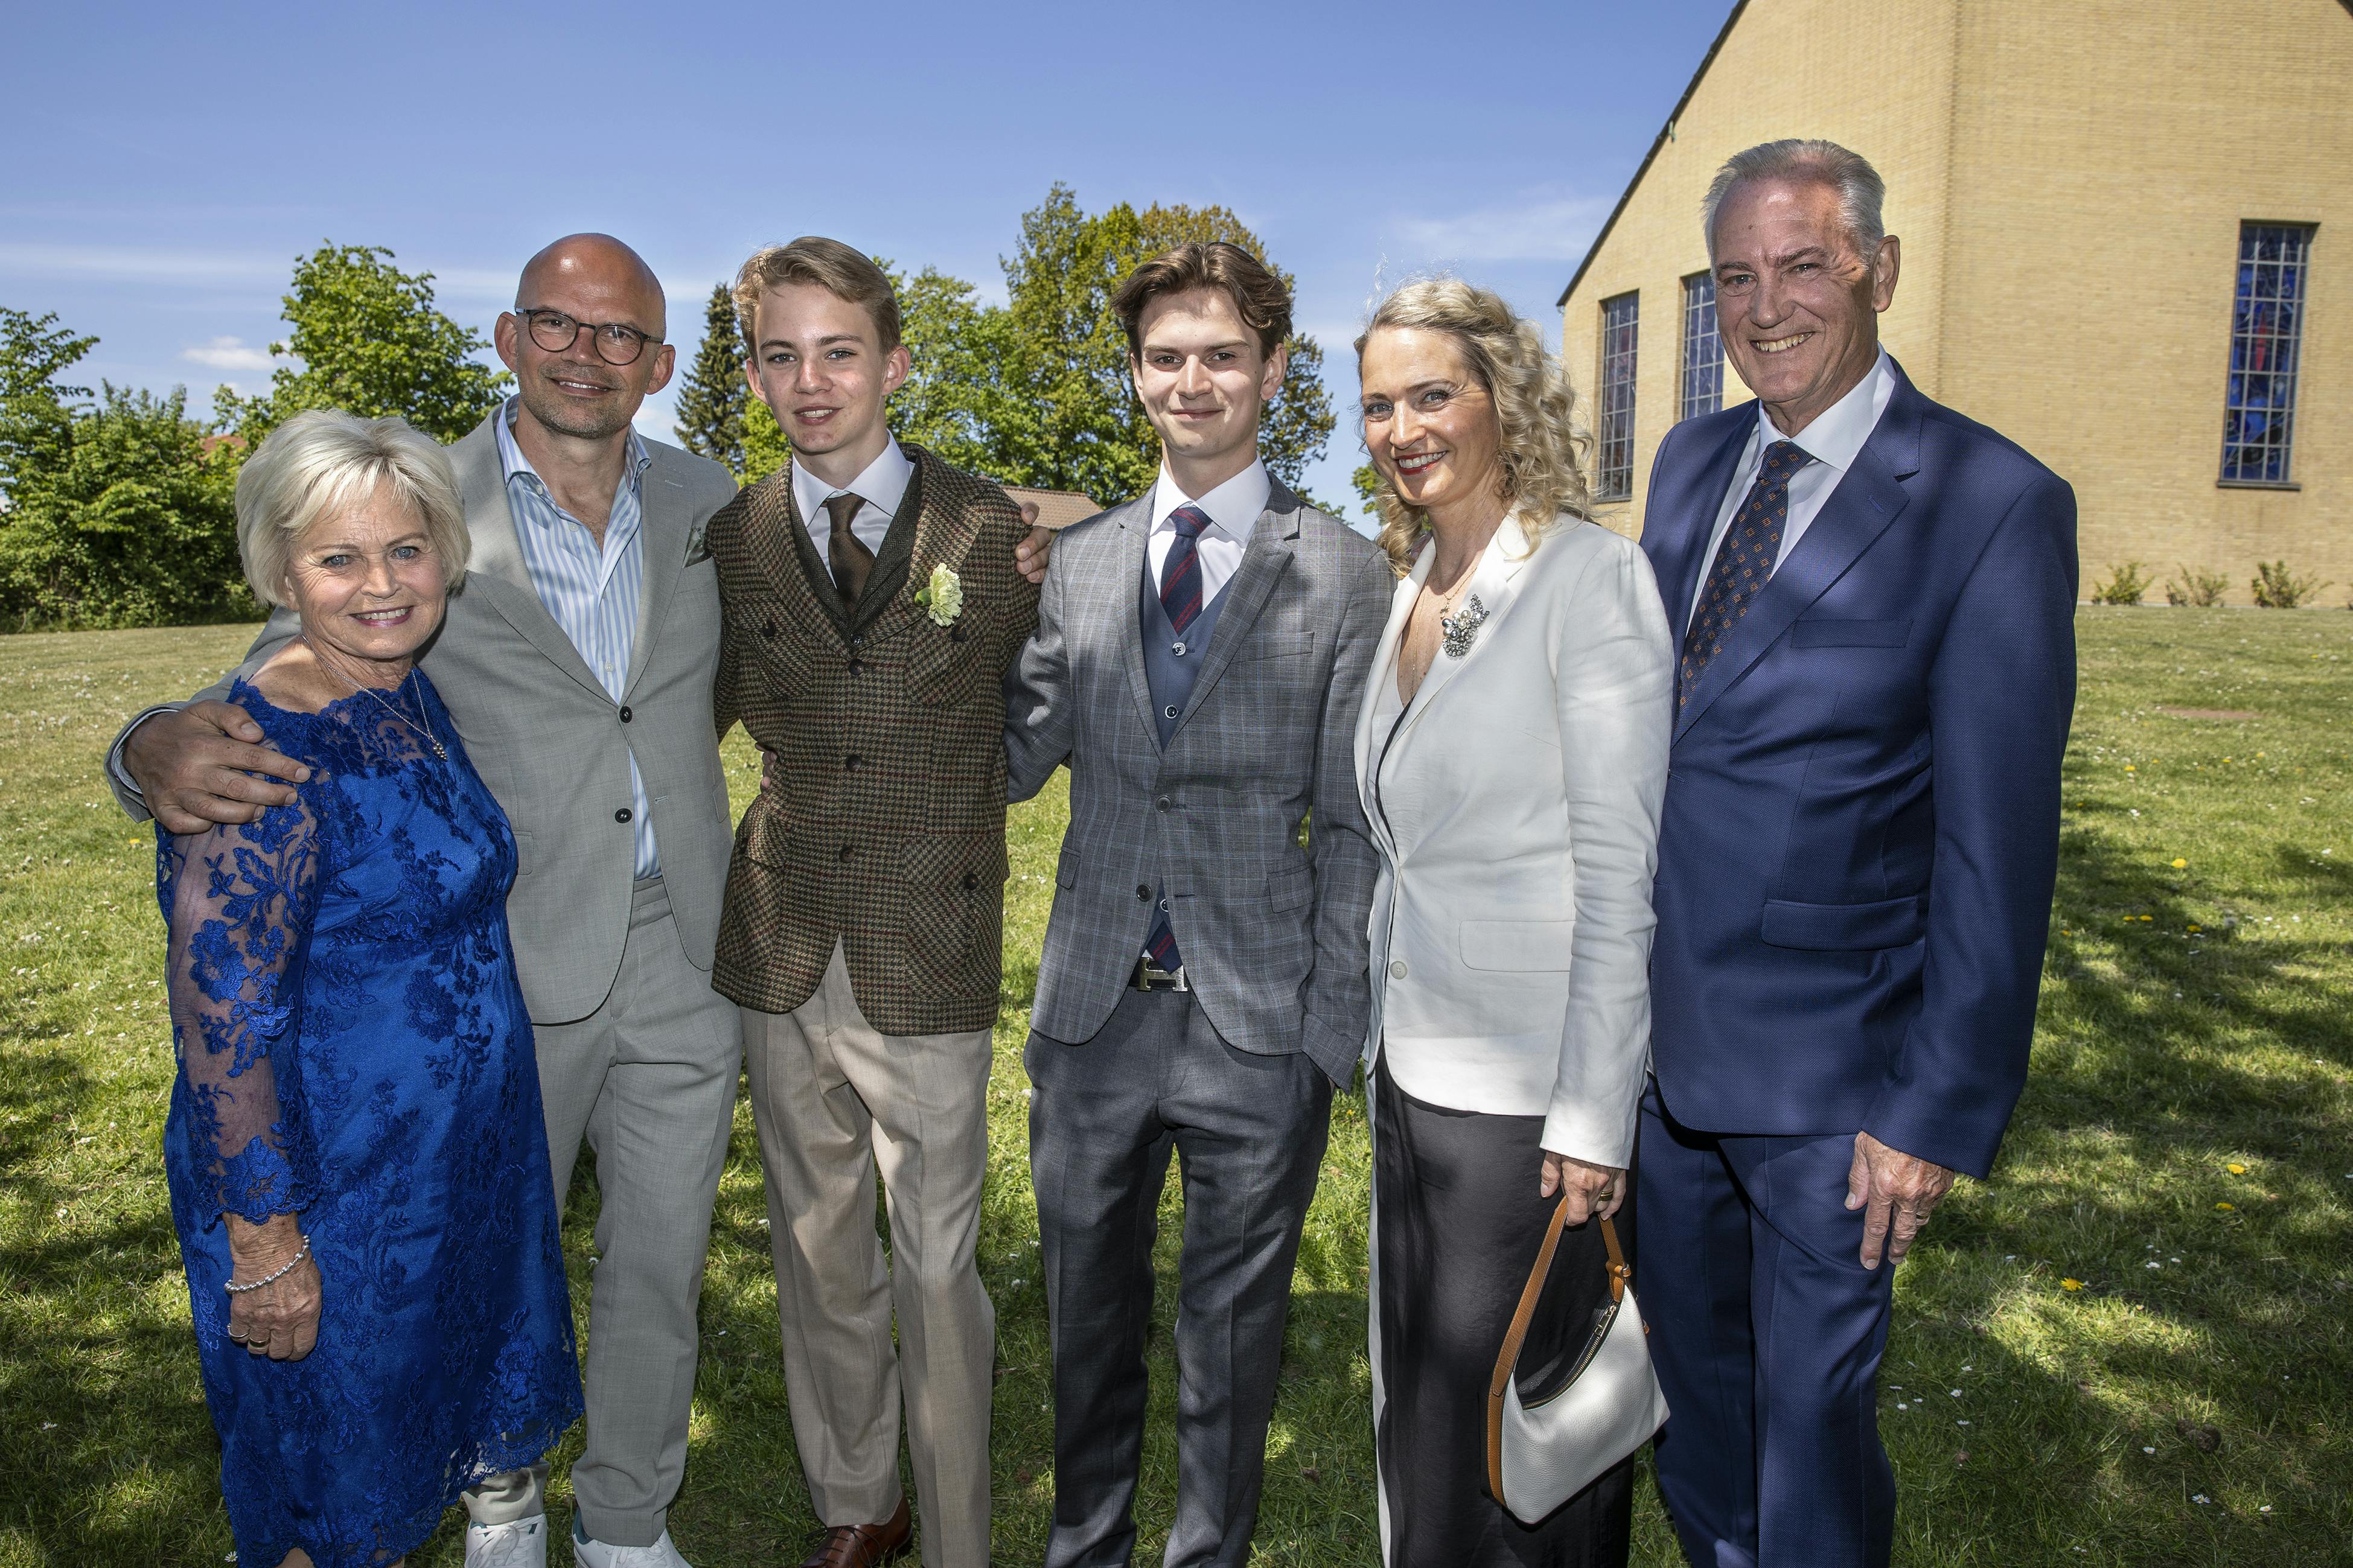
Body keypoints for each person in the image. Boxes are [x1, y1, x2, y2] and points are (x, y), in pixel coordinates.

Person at [113, 235, 742, 1568]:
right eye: (554, 326)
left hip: (681, 939)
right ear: (508, 340)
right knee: (469, 1259)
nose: (586, 353)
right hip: (503, 964)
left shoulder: (712, 501)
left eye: (619, 333)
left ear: (661, 362)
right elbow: (277, 687)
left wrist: (1044, 531)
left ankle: (629, 1522)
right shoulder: (415, 496)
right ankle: (498, 1499)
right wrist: (141, 748)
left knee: (653, 1258)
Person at [1633, 140, 2077, 1568]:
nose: (1765, 309)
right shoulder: (1691, 460)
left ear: (1878, 270)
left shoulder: (1987, 502)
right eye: (1736, 279)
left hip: (1837, 1089)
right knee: (1695, 1407)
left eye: (1803, 267)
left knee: (1809, 1430)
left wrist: (1934, 1107)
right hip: (1655, 1057)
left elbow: (1996, 843)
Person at [1002, 241, 1392, 1568]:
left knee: (1233, 1335)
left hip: (1253, 1017)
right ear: (1135, 378)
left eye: (1221, 354)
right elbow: (1013, 756)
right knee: (1084, 1320)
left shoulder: (1343, 573)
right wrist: (943, 639)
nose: (1192, 379)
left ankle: (1206, 1553)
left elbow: (1351, 823)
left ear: (1273, 372)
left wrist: (1322, 1035)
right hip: (1092, 1008)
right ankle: (1086, 1545)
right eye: (1165, 357)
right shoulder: (1078, 561)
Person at [158, 410, 581, 1568]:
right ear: (280, 571)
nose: (380, 584)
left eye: (406, 549)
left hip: (447, 1170)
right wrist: (267, 1238)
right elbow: (223, 1017)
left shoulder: (399, 689)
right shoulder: (259, 753)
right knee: (330, 1508)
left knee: (397, 1484)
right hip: (330, 1195)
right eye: (338, 558)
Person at [705, 237, 1039, 1568]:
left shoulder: (992, 531)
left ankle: (958, 1531)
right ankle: (860, 1504)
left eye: (837, 351)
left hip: (929, 942)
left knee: (935, 1264)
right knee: (816, 1248)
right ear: (752, 375)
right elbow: (679, 713)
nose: (810, 380)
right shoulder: (731, 538)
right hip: (782, 941)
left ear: (892, 363)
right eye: (779, 356)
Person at [1351, 279, 1673, 1567]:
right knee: (1424, 1402)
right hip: (1409, 1056)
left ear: (1503, 399)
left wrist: (1595, 1113)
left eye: (1432, 395)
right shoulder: (1417, 573)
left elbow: (1618, 868)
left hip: (1527, 1099)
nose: (1401, 427)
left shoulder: (1589, 579)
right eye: (1377, 404)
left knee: (1521, 1436)